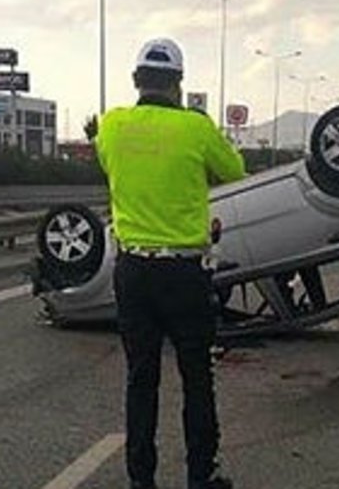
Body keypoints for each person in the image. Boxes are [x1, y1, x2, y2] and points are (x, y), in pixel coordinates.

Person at [96, 38, 246, 489]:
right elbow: (235, 170)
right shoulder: (195, 129)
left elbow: (109, 166)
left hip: (134, 272)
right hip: (183, 273)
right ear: (178, 84)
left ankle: (141, 479)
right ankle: (202, 476)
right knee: (196, 374)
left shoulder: (113, 125)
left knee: (141, 378)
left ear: (136, 80)